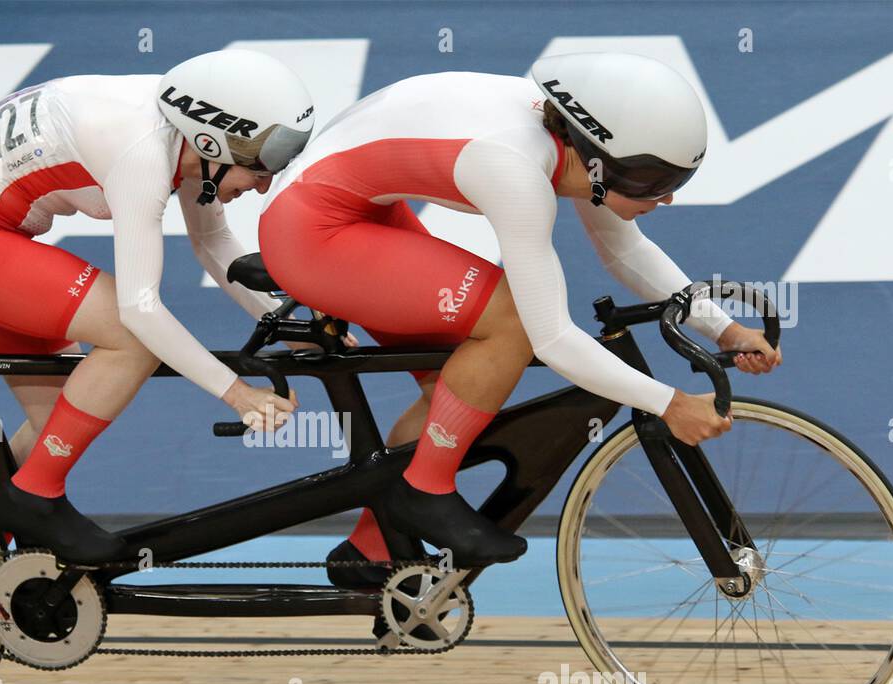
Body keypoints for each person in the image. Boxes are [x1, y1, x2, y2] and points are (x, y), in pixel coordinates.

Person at [256, 52, 782, 585]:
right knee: (510, 322)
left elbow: (624, 251)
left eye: (677, 180)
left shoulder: (580, 146)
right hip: (310, 231)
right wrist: (667, 402)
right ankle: (425, 490)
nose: (666, 198)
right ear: (599, 160)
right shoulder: (515, 168)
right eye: (652, 180)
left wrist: (726, 329)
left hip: (356, 206)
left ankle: (370, 548)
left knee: (456, 390)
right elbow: (550, 336)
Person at [0, 49, 314, 562]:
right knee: (132, 338)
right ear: (209, 140)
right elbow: (141, 309)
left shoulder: (186, 138)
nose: (264, 184)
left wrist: (288, 322)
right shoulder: (141, 151)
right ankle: (34, 498)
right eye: (259, 166)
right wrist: (237, 396)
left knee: (56, 420)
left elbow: (213, 243)